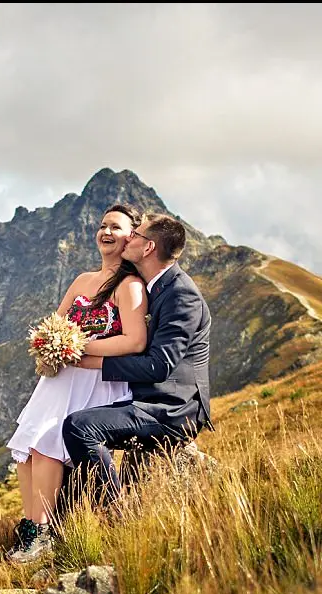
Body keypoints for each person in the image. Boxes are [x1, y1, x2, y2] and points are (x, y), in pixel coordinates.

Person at [4, 204, 149, 564]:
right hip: (61, 379)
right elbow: (57, 322)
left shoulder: (130, 286)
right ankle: (29, 527)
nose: (106, 232)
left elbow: (134, 341)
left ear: (131, 237)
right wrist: (51, 343)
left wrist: (78, 348)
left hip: (96, 381)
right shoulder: (82, 280)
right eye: (102, 225)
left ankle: (44, 532)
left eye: (115, 227)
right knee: (27, 446)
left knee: (48, 442)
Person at [61, 211, 213, 516]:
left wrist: (93, 362)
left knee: (79, 428)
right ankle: (61, 522)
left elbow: (159, 366)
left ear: (148, 248)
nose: (129, 237)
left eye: (136, 234)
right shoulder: (154, 286)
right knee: (69, 424)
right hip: (145, 398)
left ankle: (116, 514)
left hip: (171, 409)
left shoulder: (181, 295)